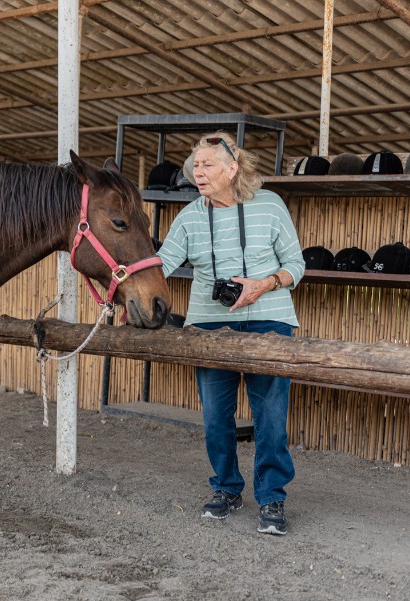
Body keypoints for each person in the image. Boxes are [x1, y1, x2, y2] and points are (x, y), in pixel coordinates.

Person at [157, 132, 305, 536]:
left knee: (271, 417)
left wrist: (264, 283)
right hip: (208, 324)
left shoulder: (270, 205)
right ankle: (226, 488)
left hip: (269, 320)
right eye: (195, 166)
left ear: (232, 169)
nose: (197, 172)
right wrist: (122, 282)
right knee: (215, 418)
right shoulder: (189, 216)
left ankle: (272, 496)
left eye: (206, 165)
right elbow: (160, 265)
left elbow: (296, 265)